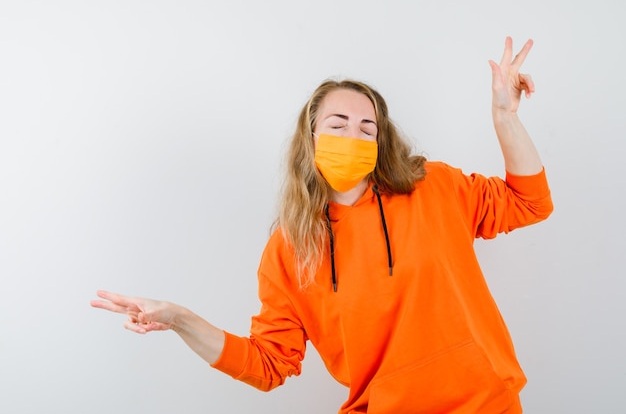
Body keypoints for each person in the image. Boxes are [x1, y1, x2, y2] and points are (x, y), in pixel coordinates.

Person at [91, 37, 553, 414]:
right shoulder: (290, 247)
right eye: (338, 124)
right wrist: (178, 318)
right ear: (310, 136)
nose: (353, 136)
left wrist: (505, 117)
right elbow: (268, 365)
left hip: (486, 404)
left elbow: (529, 202)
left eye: (367, 128)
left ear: (380, 139)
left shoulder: (434, 187)